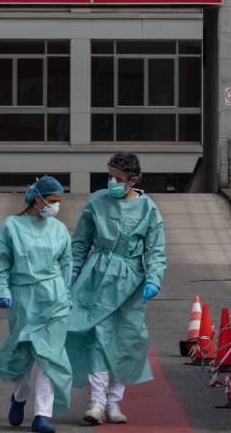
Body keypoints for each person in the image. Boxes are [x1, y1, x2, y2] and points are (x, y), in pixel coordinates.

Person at [66, 152, 167, 425]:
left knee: (126, 340)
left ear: (133, 180)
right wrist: (73, 271)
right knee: (98, 337)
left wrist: (153, 278)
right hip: (97, 276)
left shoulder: (148, 209)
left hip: (130, 280)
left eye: (118, 178)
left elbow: (155, 249)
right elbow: (81, 241)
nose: (111, 181)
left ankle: (114, 402)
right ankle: (97, 402)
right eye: (109, 176)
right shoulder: (97, 201)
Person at [0, 176, 73, 433]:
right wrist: (2, 290)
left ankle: (42, 416)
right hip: (24, 299)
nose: (56, 206)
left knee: (49, 358)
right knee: (22, 356)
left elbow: (66, 263)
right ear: (38, 198)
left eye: (59, 201)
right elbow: (0, 261)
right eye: (53, 200)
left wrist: (66, 295)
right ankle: (19, 396)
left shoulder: (58, 229)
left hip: (54, 300)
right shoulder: (11, 227)